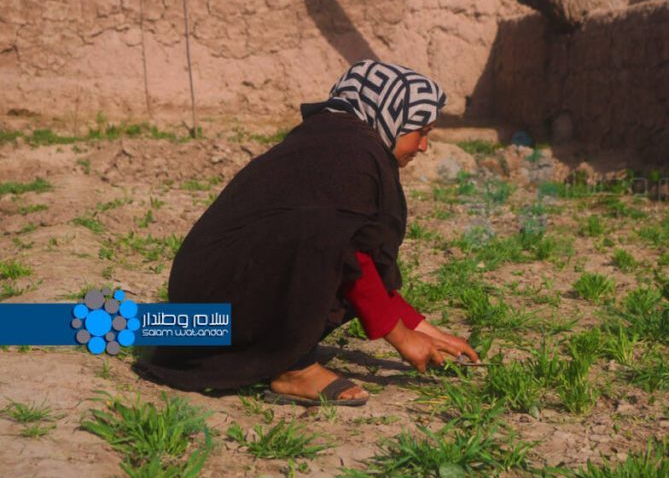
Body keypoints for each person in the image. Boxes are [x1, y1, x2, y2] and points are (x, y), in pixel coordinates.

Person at [135, 60, 479, 406]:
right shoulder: (351, 156)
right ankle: (294, 369)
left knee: (120, 325)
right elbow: (340, 254)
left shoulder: (335, 141)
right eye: (422, 130)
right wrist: (402, 338)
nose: (424, 146)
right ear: (391, 116)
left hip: (211, 298)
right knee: (318, 242)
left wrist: (420, 327)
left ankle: (154, 327)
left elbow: (355, 255)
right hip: (223, 301)